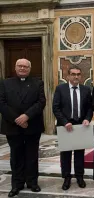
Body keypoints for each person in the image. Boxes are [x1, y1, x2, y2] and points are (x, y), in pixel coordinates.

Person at [0, 59, 46, 197]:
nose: (22, 68)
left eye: (25, 66)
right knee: (16, 156)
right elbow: (1, 103)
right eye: (20, 66)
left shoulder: (38, 83)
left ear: (30, 69)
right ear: (15, 67)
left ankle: (32, 183)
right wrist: (18, 119)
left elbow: (41, 102)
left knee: (32, 156)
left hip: (33, 125)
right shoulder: (5, 83)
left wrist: (26, 116)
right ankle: (17, 184)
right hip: (12, 126)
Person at [52, 65, 93, 190]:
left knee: (80, 153)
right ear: (68, 76)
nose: (76, 76)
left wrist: (87, 119)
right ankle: (66, 177)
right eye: (73, 74)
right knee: (66, 154)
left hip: (81, 125)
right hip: (66, 126)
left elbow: (90, 108)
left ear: (81, 76)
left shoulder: (86, 89)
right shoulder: (60, 89)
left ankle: (80, 176)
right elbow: (56, 107)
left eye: (78, 74)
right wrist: (64, 122)